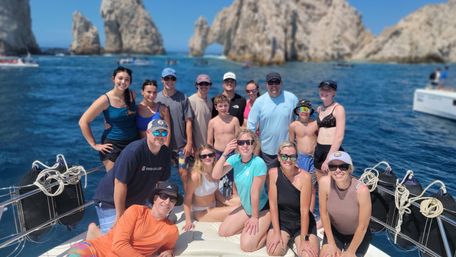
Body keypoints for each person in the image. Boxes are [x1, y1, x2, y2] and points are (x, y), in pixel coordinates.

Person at [92, 119, 171, 233]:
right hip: (110, 201)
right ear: (148, 132)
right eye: (156, 132)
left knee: (140, 237)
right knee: (114, 238)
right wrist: (120, 215)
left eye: (163, 133)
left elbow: (160, 183)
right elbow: (120, 183)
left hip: (136, 202)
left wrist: (157, 206)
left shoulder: (165, 153)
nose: (160, 136)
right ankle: (93, 233)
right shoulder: (134, 151)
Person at [67, 181, 182, 257]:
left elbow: (168, 248)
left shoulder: (172, 231)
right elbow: (118, 245)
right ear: (155, 198)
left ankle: (94, 231)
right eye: (164, 196)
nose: (167, 202)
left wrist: (169, 251)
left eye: (172, 200)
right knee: (74, 254)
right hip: (97, 248)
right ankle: (93, 234)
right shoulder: (136, 211)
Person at [212, 129, 271, 252]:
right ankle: (249, 230)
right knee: (223, 232)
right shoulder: (235, 159)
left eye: (248, 142)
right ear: (237, 145)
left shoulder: (258, 163)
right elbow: (216, 175)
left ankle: (268, 232)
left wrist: (254, 217)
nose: (245, 145)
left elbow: (255, 192)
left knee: (247, 246)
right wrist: (224, 154)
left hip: (261, 209)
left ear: (253, 144)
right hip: (246, 208)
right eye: (241, 142)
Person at [79, 66, 138, 171]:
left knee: (133, 181)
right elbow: (83, 121)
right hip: (113, 146)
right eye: (120, 78)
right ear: (113, 79)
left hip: (133, 143)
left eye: (127, 79)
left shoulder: (132, 95)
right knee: (113, 181)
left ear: (130, 82)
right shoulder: (105, 100)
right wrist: (94, 144)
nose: (123, 82)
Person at [266, 142, 319, 257]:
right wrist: (276, 232)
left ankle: (297, 240)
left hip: (302, 224)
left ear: (297, 158)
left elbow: (305, 211)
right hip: (283, 222)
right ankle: (288, 239)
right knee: (273, 251)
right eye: (285, 156)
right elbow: (273, 205)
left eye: (292, 156)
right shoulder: (273, 173)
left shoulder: (305, 177)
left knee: (308, 255)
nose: (288, 160)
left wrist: (305, 240)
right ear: (279, 157)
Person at [319, 151, 372, 257]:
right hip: (335, 233)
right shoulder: (324, 183)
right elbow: (324, 213)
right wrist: (331, 243)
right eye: (333, 166)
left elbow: (362, 226)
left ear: (350, 169)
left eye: (343, 166)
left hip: (358, 236)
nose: (338, 170)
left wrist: (351, 251)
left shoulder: (361, 191)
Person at [182, 145, 240, 232]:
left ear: (214, 156)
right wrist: (188, 221)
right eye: (204, 156)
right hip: (203, 211)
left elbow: (215, 191)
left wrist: (226, 202)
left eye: (210, 155)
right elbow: (187, 198)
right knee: (239, 210)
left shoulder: (215, 170)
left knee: (243, 200)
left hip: (215, 203)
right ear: (199, 158)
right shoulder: (196, 176)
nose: (207, 157)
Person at [247, 72, 298, 169]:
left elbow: (300, 121)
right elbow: (251, 126)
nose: (274, 85)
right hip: (267, 151)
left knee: (288, 180)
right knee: (270, 181)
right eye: (271, 83)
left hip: (288, 151)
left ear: (281, 83)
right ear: (266, 85)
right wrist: (251, 148)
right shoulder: (259, 102)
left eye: (276, 82)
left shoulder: (292, 98)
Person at [156, 67, 193, 190]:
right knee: (160, 176)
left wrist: (189, 143)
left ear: (175, 80)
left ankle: (189, 199)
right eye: (167, 78)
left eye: (172, 78)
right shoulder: (156, 98)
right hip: (162, 147)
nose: (170, 81)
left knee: (184, 173)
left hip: (180, 146)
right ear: (162, 80)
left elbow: (188, 121)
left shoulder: (183, 98)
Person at [289, 99, 318, 211]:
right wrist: (293, 160)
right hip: (300, 158)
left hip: (312, 159)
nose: (304, 111)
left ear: (310, 111)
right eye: (301, 109)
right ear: (297, 111)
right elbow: (291, 143)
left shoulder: (315, 124)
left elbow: (321, 140)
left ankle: (310, 212)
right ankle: (298, 209)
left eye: (307, 109)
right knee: (298, 185)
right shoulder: (293, 125)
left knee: (312, 188)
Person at [314, 80, 346, 181]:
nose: (324, 92)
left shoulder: (338, 109)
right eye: (322, 89)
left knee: (331, 185)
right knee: (321, 184)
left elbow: (339, 137)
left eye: (328, 90)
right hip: (319, 150)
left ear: (334, 93)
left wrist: (328, 159)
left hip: (331, 151)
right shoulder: (320, 109)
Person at [136, 79, 171, 145]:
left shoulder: (163, 109)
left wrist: (165, 148)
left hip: (158, 147)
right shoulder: (137, 109)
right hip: (142, 148)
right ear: (142, 92)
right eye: (149, 92)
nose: (152, 95)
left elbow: (168, 130)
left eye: (154, 92)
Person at [207, 94, 241, 159]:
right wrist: (211, 154)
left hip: (232, 152)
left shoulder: (234, 120)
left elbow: (238, 138)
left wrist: (237, 151)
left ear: (229, 106)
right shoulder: (212, 122)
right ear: (216, 107)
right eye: (220, 106)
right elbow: (209, 141)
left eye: (225, 105)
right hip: (217, 153)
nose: (223, 108)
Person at [189, 74, 213, 150]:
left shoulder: (210, 101)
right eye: (201, 84)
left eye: (206, 84)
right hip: (196, 147)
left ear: (210, 85)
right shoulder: (191, 100)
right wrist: (190, 144)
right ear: (196, 85)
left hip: (207, 146)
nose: (204, 86)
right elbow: (187, 124)